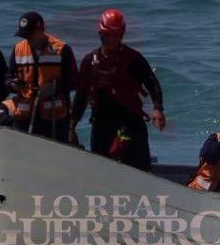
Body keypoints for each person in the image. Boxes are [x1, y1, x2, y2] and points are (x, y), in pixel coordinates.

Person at [70, 9, 166, 170]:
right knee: (100, 170)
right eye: (108, 35)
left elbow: (152, 83)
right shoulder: (89, 62)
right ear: (100, 34)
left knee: (140, 171)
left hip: (131, 124)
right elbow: (81, 95)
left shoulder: (133, 59)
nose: (112, 40)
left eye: (116, 35)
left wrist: (158, 109)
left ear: (122, 34)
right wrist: (71, 125)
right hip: (102, 126)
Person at [4, 10, 78, 143]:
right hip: (24, 117)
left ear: (41, 30)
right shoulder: (18, 49)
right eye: (24, 35)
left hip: (54, 118)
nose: (27, 39)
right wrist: (12, 85)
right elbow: (8, 78)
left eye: (30, 35)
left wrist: (53, 88)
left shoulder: (62, 50)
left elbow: (74, 81)